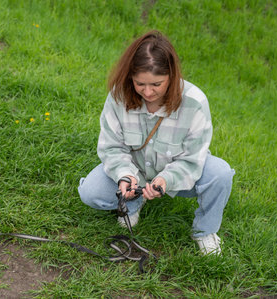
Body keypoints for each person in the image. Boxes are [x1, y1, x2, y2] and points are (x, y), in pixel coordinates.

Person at [78, 30, 235, 255]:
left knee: (220, 173)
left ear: (171, 76)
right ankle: (133, 202)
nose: (148, 92)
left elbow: (192, 159)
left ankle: (205, 231)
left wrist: (166, 180)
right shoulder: (118, 96)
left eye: (156, 84)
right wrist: (126, 175)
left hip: (179, 174)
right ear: (130, 75)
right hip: (136, 170)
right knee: (90, 192)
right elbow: (111, 147)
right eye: (140, 83)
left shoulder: (195, 102)